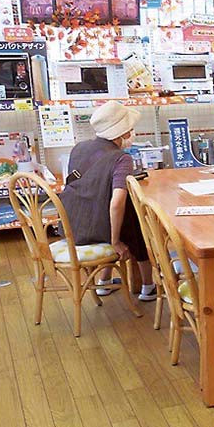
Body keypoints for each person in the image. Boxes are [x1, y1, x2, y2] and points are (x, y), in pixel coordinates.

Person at [58, 100, 155, 301]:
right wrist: (115, 241)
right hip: (99, 230)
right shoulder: (121, 158)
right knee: (133, 217)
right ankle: (148, 285)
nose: (132, 133)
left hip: (71, 226)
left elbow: (87, 187)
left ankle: (104, 281)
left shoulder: (79, 148)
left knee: (117, 209)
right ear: (122, 133)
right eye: (130, 129)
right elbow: (116, 202)